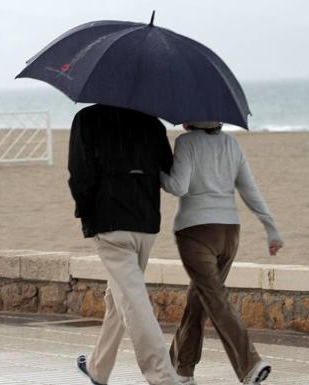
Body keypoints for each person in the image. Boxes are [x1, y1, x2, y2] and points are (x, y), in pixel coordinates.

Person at [160, 122, 284, 385]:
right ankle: (180, 370)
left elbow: (178, 187)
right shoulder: (231, 144)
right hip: (229, 233)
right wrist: (271, 228)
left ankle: (250, 365)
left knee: (214, 298)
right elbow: (249, 189)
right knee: (200, 299)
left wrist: (158, 173)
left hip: (195, 232)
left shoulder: (187, 142)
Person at [69, 104, 180, 385]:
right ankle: (98, 368)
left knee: (133, 301)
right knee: (118, 296)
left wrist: (87, 213)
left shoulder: (86, 119)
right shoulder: (151, 121)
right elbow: (167, 167)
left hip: (110, 224)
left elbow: (79, 175)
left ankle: (163, 377)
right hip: (145, 222)